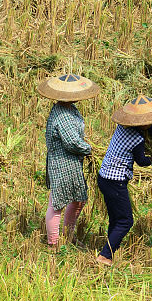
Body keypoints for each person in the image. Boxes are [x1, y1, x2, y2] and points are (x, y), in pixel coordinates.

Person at [96, 96, 152, 267]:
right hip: (114, 180)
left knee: (116, 219)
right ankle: (104, 256)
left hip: (104, 177)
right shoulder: (136, 139)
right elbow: (141, 161)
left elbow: (151, 128)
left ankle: (109, 251)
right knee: (125, 221)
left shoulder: (123, 126)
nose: (151, 122)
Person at [39, 74, 100, 248]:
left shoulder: (69, 108)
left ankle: (68, 235)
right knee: (57, 202)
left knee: (77, 200)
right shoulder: (63, 115)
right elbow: (72, 142)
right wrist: (89, 149)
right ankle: (54, 243)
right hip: (62, 163)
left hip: (71, 162)